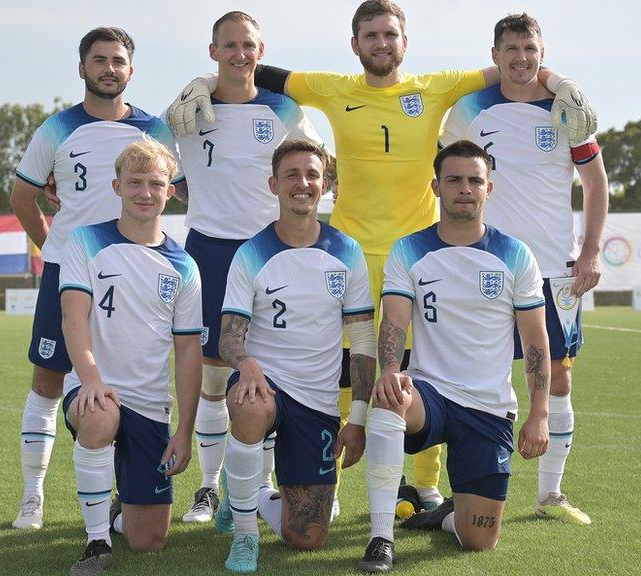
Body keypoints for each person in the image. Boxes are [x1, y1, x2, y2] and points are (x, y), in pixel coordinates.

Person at [166, 0, 594, 509]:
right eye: (370, 35)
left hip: (421, 256)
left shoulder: (436, 87)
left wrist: (560, 79)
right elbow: (255, 69)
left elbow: (512, 65)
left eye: (390, 34)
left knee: (427, 368)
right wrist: (202, 81)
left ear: (404, 42)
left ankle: (427, 484)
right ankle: (334, 483)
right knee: (344, 368)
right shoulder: (333, 89)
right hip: (346, 255)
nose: (381, 43)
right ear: (355, 44)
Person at [440, 13, 608, 525]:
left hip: (554, 269)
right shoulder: (469, 110)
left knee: (558, 377)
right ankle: (463, 489)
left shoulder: (565, 111)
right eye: (510, 49)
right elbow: (448, 183)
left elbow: (596, 183)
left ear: (542, 51)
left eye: (529, 49)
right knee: (469, 377)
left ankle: (550, 495)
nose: (521, 58)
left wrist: (593, 250)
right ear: (495, 56)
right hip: (483, 267)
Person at [9, 26, 180, 531]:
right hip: (68, 273)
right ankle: (32, 497)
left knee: (134, 382)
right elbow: (23, 197)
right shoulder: (57, 128)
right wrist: (53, 248)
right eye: (99, 59)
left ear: (131, 69)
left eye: (119, 60)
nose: (109, 68)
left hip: (138, 278)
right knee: (47, 380)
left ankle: (126, 498)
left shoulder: (155, 130)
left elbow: (183, 190)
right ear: (82, 68)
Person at [358, 141, 551, 573]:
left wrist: (539, 413)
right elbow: (394, 322)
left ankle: (446, 514)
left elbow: (536, 342)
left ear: (489, 189)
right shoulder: (409, 249)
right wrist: (390, 371)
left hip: (488, 406)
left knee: (479, 540)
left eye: (474, 181)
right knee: (390, 397)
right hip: (431, 394)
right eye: (455, 180)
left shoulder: (516, 255)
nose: (465, 189)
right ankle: (380, 538)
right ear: (436, 187)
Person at [172, 11, 325, 524]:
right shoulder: (186, 111)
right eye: (230, 45)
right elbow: (145, 163)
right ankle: (209, 489)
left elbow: (322, 166)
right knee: (214, 375)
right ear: (213, 50)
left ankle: (259, 488)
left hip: (272, 252)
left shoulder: (284, 110)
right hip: (209, 251)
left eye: (249, 45)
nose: (240, 53)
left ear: (261, 52)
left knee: (270, 371)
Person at [217, 140, 376, 573]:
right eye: (292, 175)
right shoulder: (251, 253)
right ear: (274, 184)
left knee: (306, 538)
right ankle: (245, 535)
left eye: (311, 174)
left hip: (317, 401)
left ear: (325, 185)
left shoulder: (347, 252)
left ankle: (246, 490)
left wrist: (357, 417)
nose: (302, 183)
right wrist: (247, 363)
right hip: (263, 384)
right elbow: (228, 338)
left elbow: (362, 341)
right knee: (251, 405)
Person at [59, 139, 201, 575]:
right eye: (135, 182)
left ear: (170, 191)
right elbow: (73, 318)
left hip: (149, 405)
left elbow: (188, 350)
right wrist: (92, 379)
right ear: (117, 186)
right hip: (94, 388)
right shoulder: (86, 241)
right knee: (100, 415)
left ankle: (121, 510)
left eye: (155, 183)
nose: (145, 192)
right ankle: (96, 541)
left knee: (149, 542)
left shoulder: (183, 267)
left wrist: (185, 430)